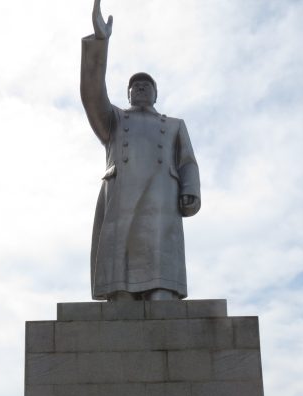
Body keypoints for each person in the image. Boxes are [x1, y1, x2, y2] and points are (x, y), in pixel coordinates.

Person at [81, 0, 201, 301]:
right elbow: (92, 94)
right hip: (122, 196)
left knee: (160, 265)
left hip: (161, 197)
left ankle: (163, 287)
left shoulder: (173, 125)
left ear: (156, 93)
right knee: (120, 284)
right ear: (128, 94)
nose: (141, 88)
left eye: (147, 85)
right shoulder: (114, 120)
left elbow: (187, 161)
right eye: (135, 86)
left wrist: (191, 189)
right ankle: (120, 292)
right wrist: (100, 43)